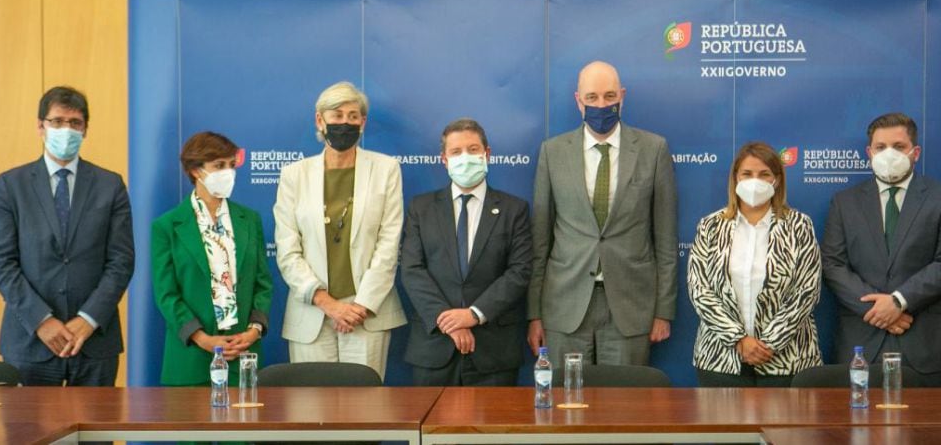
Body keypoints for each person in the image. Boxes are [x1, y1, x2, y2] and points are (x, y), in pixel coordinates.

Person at [527, 60, 678, 367]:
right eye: (592, 97)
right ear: (578, 100)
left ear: (622, 96)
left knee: (624, 409)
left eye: (609, 96)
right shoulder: (552, 152)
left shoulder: (654, 149)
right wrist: (534, 314)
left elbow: (665, 239)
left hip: (630, 304)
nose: (601, 104)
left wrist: (664, 310)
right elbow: (539, 242)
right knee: (565, 406)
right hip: (564, 305)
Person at [0, 86, 134, 386]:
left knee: (95, 434)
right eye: (57, 121)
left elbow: (121, 261)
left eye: (75, 123)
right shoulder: (10, 186)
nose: (66, 129)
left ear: (85, 130)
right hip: (29, 342)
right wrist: (42, 320)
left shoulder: (110, 185)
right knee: (29, 434)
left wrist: (87, 320)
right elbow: (2, 262)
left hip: (94, 343)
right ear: (41, 126)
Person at [822, 112, 941, 387]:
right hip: (861, 344)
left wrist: (898, 301)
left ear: (915, 152)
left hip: (929, 347)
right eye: (880, 147)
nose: (889, 154)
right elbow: (833, 265)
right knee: (857, 430)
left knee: (933, 430)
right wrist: (880, 311)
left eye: (899, 146)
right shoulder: (844, 203)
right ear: (869, 152)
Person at [274, 81, 406, 380]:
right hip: (312, 313)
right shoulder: (294, 175)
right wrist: (328, 304)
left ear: (363, 123)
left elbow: (388, 244)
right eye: (337, 115)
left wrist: (359, 307)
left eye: (353, 115)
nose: (344, 122)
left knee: (366, 414)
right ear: (320, 120)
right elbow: (287, 249)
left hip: (366, 314)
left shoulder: (386, 169)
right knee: (311, 413)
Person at [401, 118, 533, 386]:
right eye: (456, 152)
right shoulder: (421, 208)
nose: (465, 158)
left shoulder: (514, 209)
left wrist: (473, 314)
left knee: (493, 429)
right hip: (434, 347)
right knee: (432, 428)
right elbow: (412, 269)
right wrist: (448, 320)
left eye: (473, 150)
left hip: (494, 351)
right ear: (444, 160)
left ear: (487, 154)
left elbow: (519, 272)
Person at [687, 142, 822, 386]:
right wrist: (739, 340)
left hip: (787, 359)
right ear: (735, 179)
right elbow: (700, 291)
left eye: (764, 174)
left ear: (777, 181)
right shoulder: (710, 226)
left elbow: (806, 292)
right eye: (747, 174)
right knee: (725, 425)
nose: (755, 181)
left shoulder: (799, 225)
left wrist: (768, 343)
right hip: (720, 359)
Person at [150, 132, 273, 386]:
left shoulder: (249, 220)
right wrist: (202, 339)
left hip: (243, 358)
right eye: (218, 166)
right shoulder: (167, 226)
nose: (228, 172)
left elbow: (263, 283)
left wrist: (253, 331)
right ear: (196, 170)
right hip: (191, 360)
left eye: (231, 165)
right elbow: (166, 294)